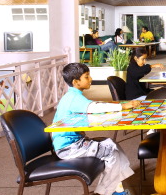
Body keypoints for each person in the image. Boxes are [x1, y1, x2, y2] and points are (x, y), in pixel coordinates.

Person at [52, 63, 141, 195]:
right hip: (69, 148)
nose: (91, 79)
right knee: (111, 153)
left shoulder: (73, 96)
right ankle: (106, 192)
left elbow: (91, 106)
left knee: (112, 144)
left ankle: (115, 188)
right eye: (87, 77)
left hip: (75, 143)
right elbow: (94, 108)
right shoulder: (73, 98)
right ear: (76, 82)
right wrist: (123, 106)